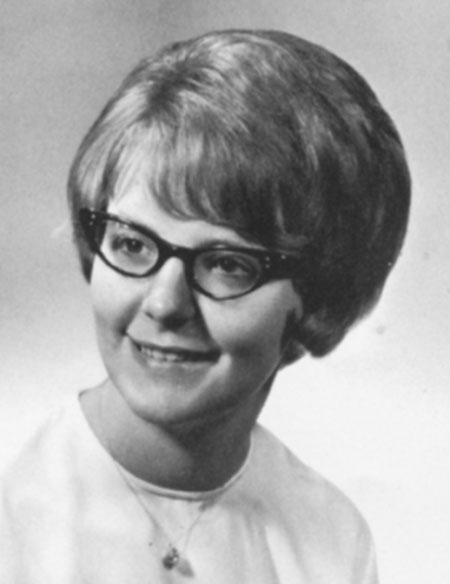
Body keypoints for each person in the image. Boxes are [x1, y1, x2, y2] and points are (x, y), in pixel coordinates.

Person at [0, 29, 410, 583]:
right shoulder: (11, 501)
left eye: (227, 263)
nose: (164, 303)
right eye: (132, 244)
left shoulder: (333, 541)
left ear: (319, 294)